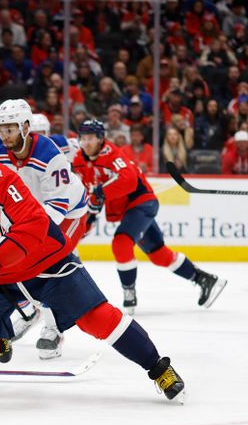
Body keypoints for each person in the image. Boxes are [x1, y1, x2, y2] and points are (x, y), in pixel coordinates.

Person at [0, 133, 185, 402]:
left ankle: (158, 367)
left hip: (45, 263)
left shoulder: (4, 182)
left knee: (98, 319)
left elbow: (34, 226)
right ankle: (0, 334)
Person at [72, 119, 226, 314]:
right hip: (129, 210)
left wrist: (99, 194)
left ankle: (129, 293)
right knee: (159, 255)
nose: (86, 142)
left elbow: (127, 181)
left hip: (143, 203)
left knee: (121, 243)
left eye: (91, 138)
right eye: (82, 138)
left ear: (101, 139)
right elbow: (91, 193)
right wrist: (90, 217)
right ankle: (204, 279)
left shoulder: (112, 155)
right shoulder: (79, 160)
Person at [0, 102, 88, 359]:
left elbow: (57, 205)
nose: (5, 135)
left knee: (49, 265)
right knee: (10, 262)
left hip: (69, 213)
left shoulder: (49, 153)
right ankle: (27, 310)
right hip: (31, 214)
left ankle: (54, 329)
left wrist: (27, 235)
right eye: (1, 129)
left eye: (10, 129)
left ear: (25, 127)